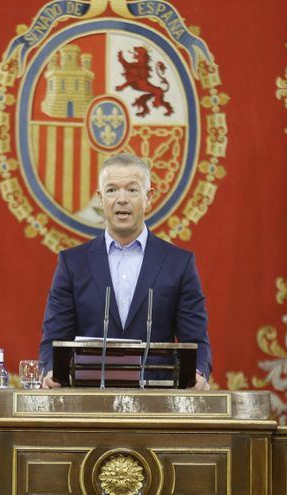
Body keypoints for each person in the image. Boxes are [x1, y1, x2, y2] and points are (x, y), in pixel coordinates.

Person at [39, 153, 212, 390]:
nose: (122, 199)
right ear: (100, 199)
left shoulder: (179, 264)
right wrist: (51, 370)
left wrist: (197, 373)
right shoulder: (72, 263)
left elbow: (196, 340)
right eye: (111, 190)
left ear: (148, 197)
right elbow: (53, 339)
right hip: (88, 399)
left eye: (132, 190)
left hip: (157, 399)